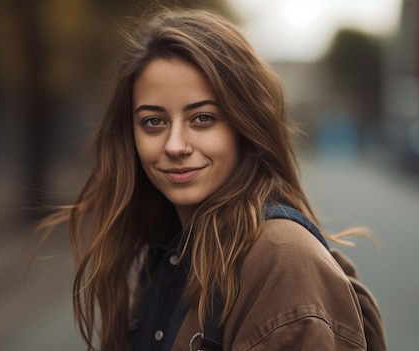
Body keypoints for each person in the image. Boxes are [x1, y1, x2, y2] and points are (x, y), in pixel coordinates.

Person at [37, 8, 384, 351]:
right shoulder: (170, 247)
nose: (175, 146)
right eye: (154, 122)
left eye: (202, 118)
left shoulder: (283, 260)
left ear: (244, 126)